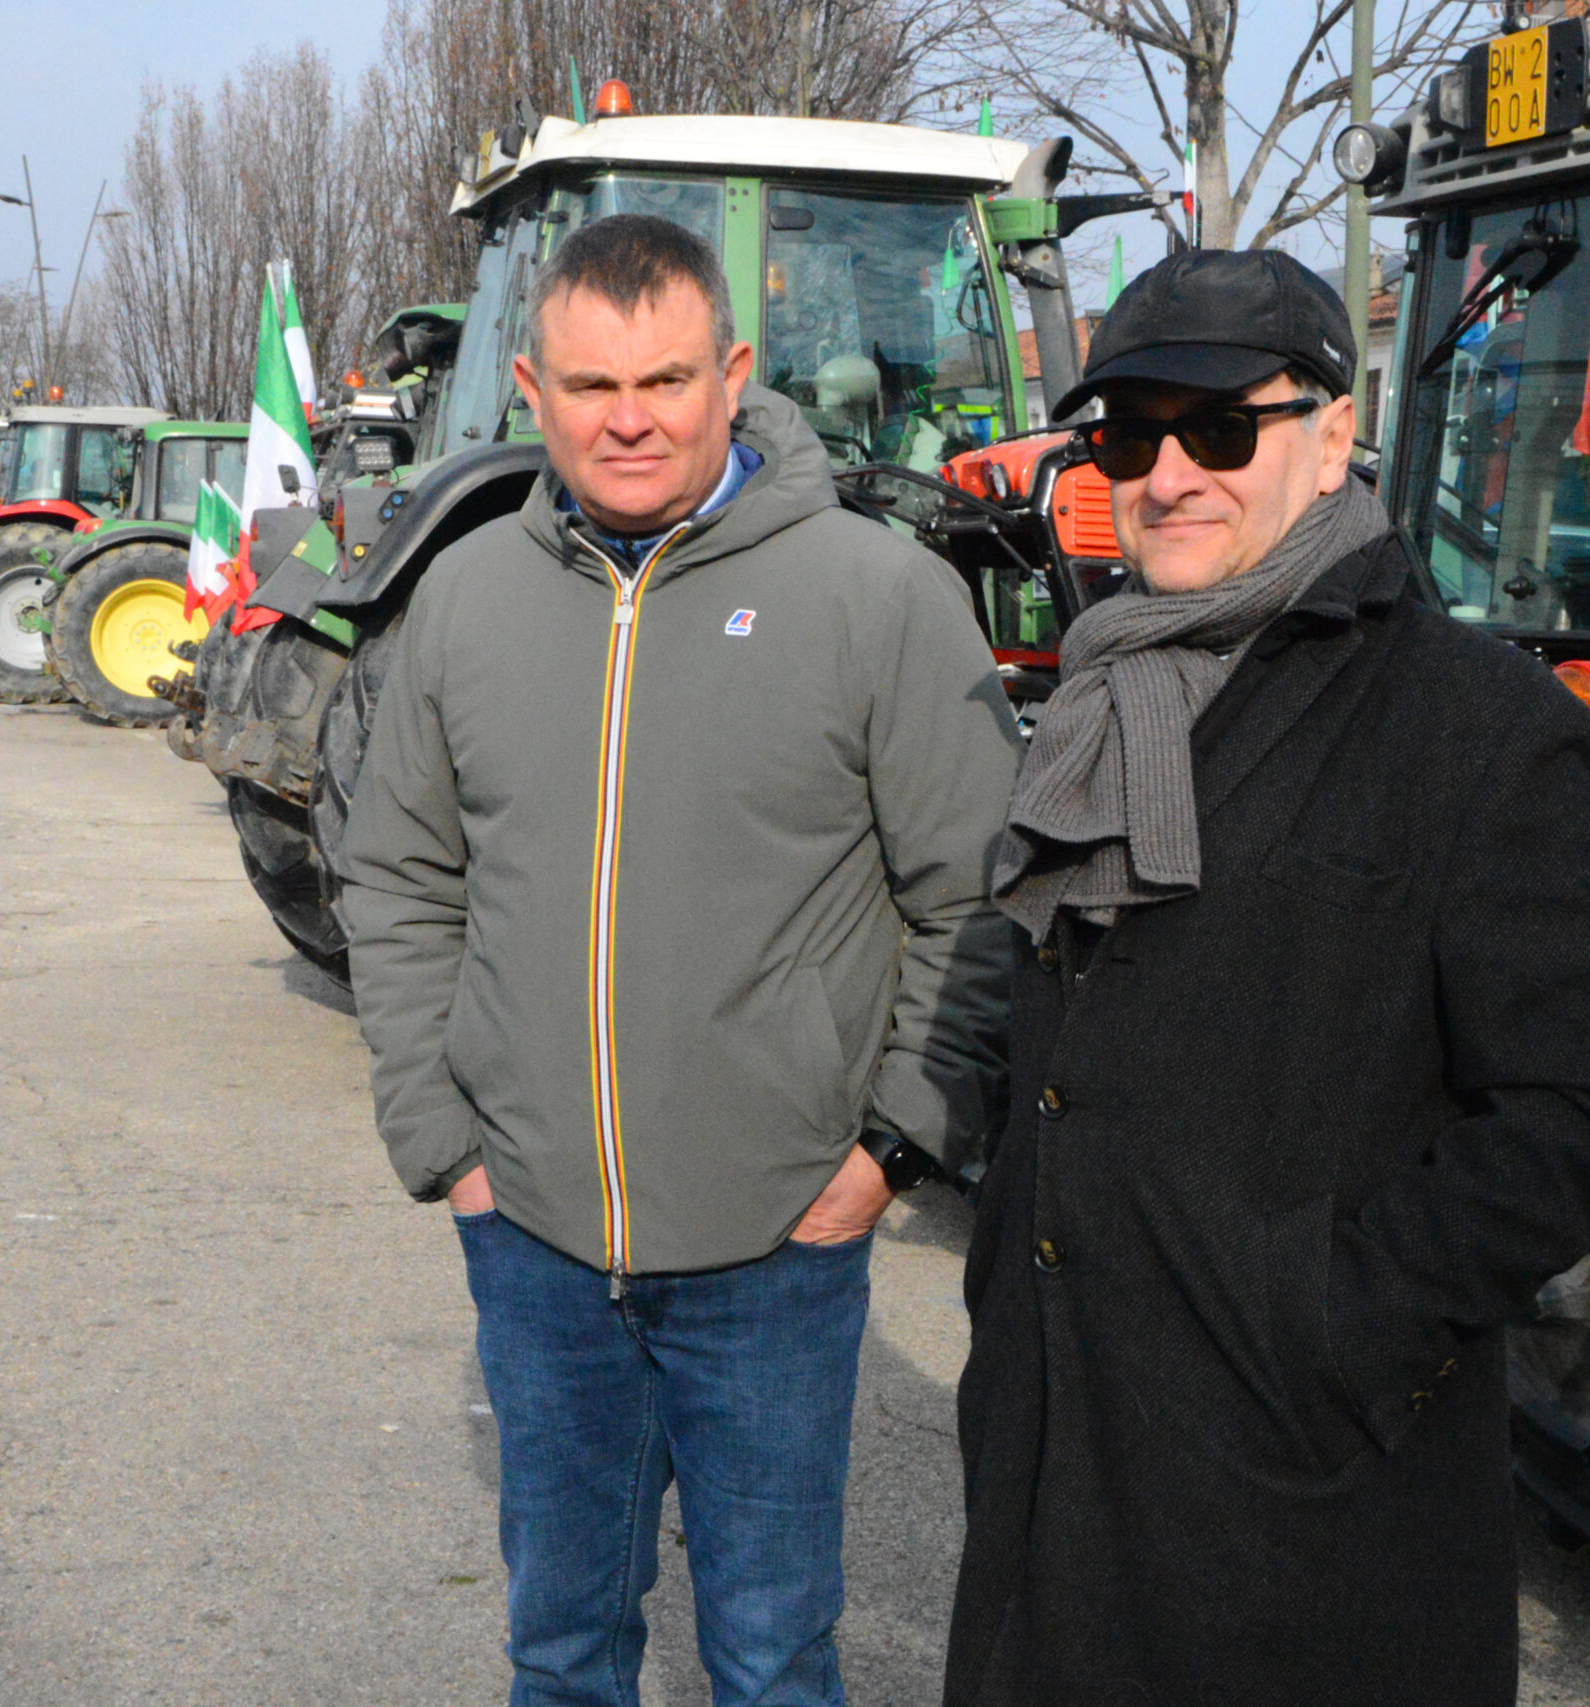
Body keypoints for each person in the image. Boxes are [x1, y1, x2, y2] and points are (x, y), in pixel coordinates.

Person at [944, 248, 1590, 1706]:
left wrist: (1332, 1318)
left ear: (1333, 438)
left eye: (1221, 430)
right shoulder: (1100, 698)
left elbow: (1586, 1120)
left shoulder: (1475, 728)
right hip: (1059, 1467)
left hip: (1303, 1523)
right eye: (1130, 437)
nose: (1167, 476)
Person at [334, 213, 1021, 1707]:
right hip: (533, 1242)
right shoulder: (466, 602)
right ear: (531, 388)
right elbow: (395, 875)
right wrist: (441, 1140)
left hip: (777, 1246)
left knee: (772, 1658)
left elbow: (978, 894)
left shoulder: (877, 595)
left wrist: (888, 1152)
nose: (629, 418)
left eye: (663, 378)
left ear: (736, 373)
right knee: (563, 1649)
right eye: (591, 386)